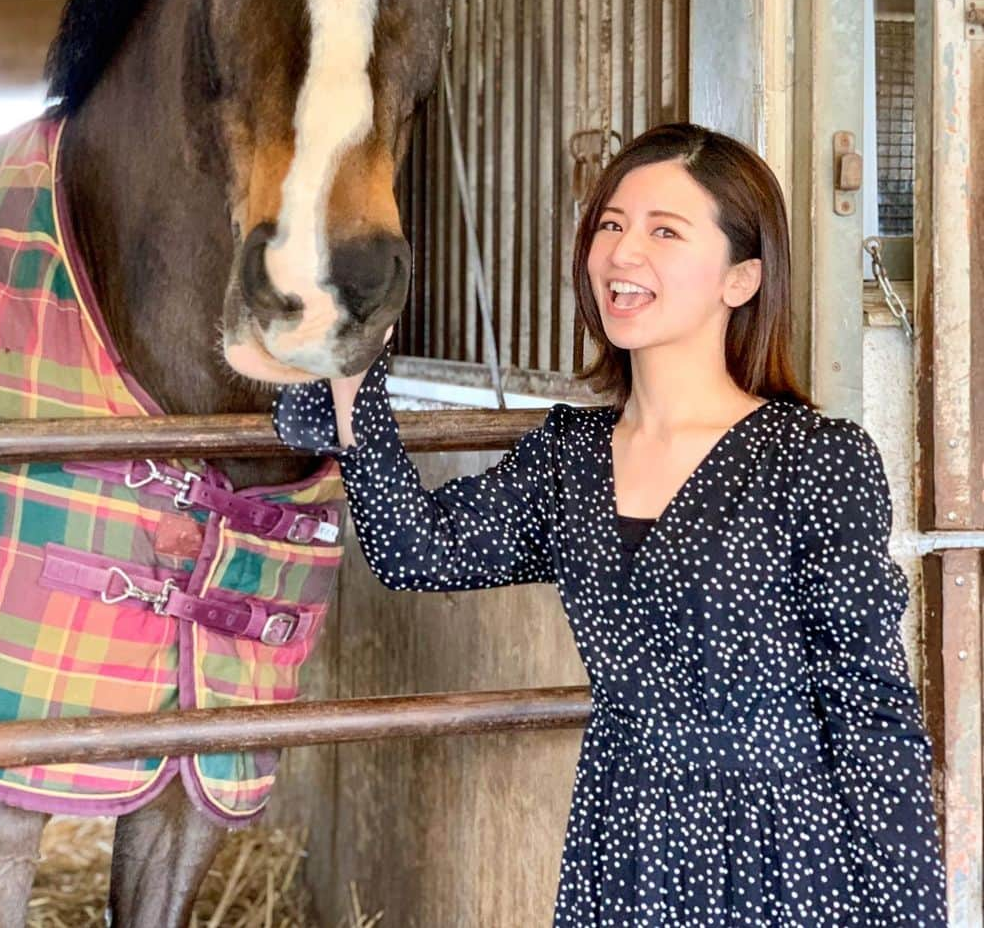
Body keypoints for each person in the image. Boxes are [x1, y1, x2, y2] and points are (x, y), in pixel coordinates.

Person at [272, 121, 946, 926]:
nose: (622, 254)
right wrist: (354, 376)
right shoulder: (572, 458)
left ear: (742, 278)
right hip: (622, 845)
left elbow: (870, 709)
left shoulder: (813, 459)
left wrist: (907, 912)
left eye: (666, 230)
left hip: (783, 856)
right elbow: (418, 552)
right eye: (612, 225)